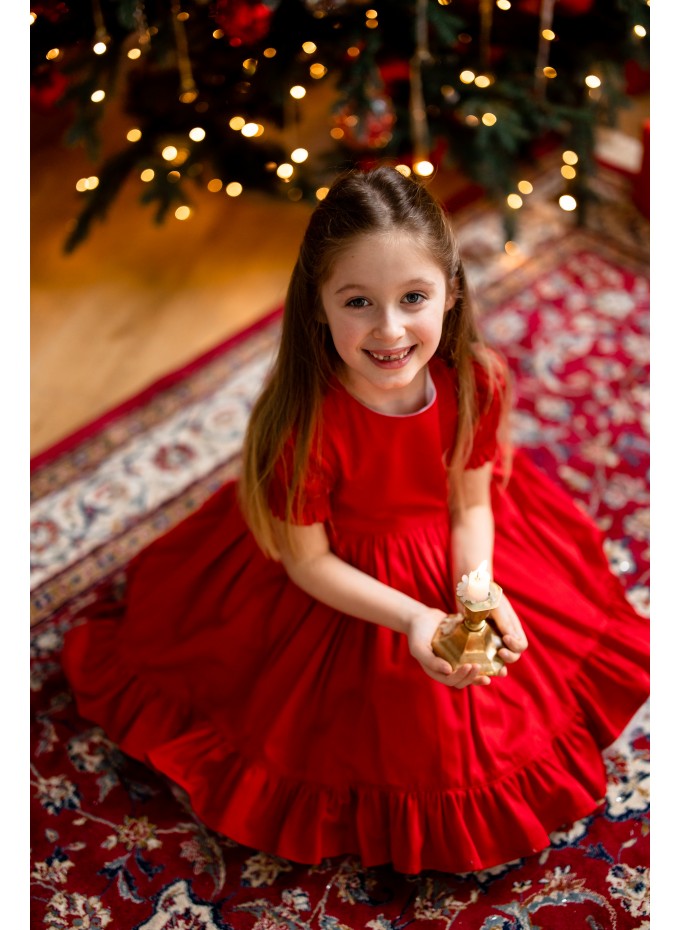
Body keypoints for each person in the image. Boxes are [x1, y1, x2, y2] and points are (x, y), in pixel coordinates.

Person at [62, 165, 649, 875]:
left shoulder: (476, 380)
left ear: (452, 292)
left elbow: (470, 504)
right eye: (358, 302)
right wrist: (411, 618)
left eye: (413, 298)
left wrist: (475, 591)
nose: (390, 329)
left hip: (449, 538)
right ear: (318, 306)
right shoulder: (305, 428)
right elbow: (308, 564)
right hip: (339, 571)